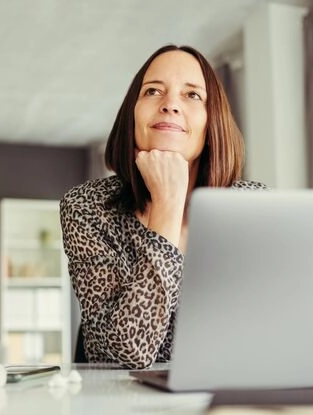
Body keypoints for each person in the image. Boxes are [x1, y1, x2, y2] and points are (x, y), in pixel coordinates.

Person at [60, 44, 268, 369]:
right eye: (153, 91)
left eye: (192, 95)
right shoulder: (88, 207)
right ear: (133, 115)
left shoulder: (253, 208)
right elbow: (131, 352)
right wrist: (168, 206)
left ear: (211, 124)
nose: (170, 105)